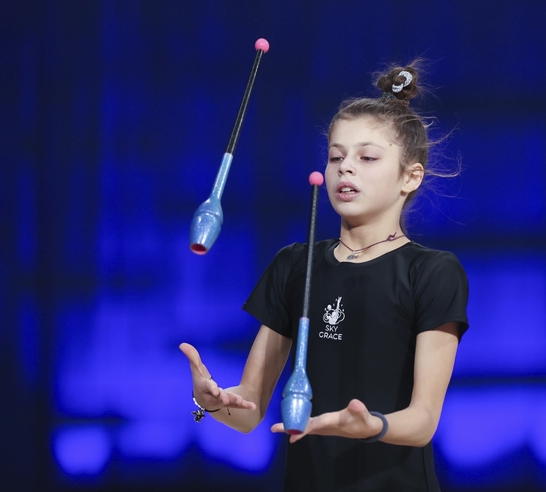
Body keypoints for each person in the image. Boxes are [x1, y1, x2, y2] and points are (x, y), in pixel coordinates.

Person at [180, 63, 469, 491]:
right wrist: (211, 403)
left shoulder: (431, 272)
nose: (345, 169)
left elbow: (423, 421)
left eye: (367, 157)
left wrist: (372, 425)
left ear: (411, 176)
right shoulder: (294, 264)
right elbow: (250, 410)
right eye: (336, 157)